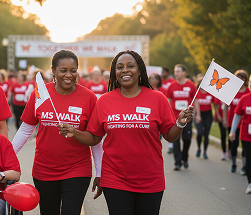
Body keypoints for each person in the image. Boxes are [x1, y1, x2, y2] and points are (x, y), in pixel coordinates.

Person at [58, 50, 194, 214]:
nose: (125, 70)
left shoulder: (157, 99)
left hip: (150, 180)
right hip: (115, 179)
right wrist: (75, 132)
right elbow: (94, 137)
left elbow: (169, 136)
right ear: (115, 72)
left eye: (131, 66)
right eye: (119, 67)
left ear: (140, 70)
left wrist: (180, 123)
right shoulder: (104, 101)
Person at [12, 49, 102, 215]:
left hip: (77, 168)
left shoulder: (89, 98)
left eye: (73, 71)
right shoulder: (40, 94)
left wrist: (100, 170)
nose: (69, 75)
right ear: (53, 71)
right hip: (44, 169)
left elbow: (96, 139)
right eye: (63, 70)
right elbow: (26, 129)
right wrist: (7, 155)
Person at [166, 64, 201, 170]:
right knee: (175, 140)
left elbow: (195, 100)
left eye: (178, 71)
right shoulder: (171, 86)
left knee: (187, 139)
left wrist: (198, 114)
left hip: (187, 118)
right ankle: (177, 162)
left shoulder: (191, 85)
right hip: (175, 118)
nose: (176, 73)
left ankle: (184, 157)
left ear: (184, 73)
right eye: (175, 71)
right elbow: (168, 101)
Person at [223, 70, 249, 174]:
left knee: (245, 145)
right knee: (234, 144)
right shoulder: (231, 91)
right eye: (238, 78)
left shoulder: (248, 92)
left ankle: (244, 166)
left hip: (245, 123)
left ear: (245, 80)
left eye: (242, 78)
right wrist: (224, 119)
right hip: (232, 122)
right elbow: (225, 107)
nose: (240, 80)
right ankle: (234, 163)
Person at [194, 79, 214, 159]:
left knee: (206, 134)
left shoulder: (210, 93)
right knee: (199, 133)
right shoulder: (196, 92)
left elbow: (215, 103)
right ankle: (199, 148)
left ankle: (205, 151)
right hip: (199, 115)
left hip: (208, 115)